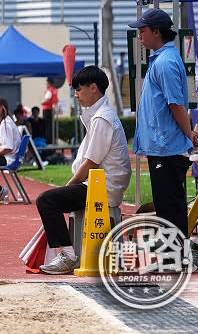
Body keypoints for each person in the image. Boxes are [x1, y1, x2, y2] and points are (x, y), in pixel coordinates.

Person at [36, 66, 132, 274]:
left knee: (47, 200)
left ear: (94, 88)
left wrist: (69, 185)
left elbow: (90, 164)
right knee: (53, 198)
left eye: (78, 90)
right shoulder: (99, 117)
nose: (76, 95)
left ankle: (69, 256)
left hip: (101, 187)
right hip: (97, 184)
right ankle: (68, 252)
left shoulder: (102, 119)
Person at [129, 9, 198, 238]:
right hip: (162, 146)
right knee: (167, 204)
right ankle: (174, 255)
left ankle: (175, 256)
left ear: (156, 32)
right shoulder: (162, 59)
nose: (140, 37)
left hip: (167, 147)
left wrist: (188, 134)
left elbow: (176, 104)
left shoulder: (166, 62)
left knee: (170, 206)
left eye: (142, 31)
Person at [41, 78, 59, 144]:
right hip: (51, 110)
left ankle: (48, 141)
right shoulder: (55, 90)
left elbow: (47, 100)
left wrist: (42, 102)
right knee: (51, 126)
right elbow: (56, 100)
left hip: (47, 110)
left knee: (47, 126)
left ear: (49, 83)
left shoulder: (49, 91)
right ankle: (52, 140)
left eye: (46, 83)